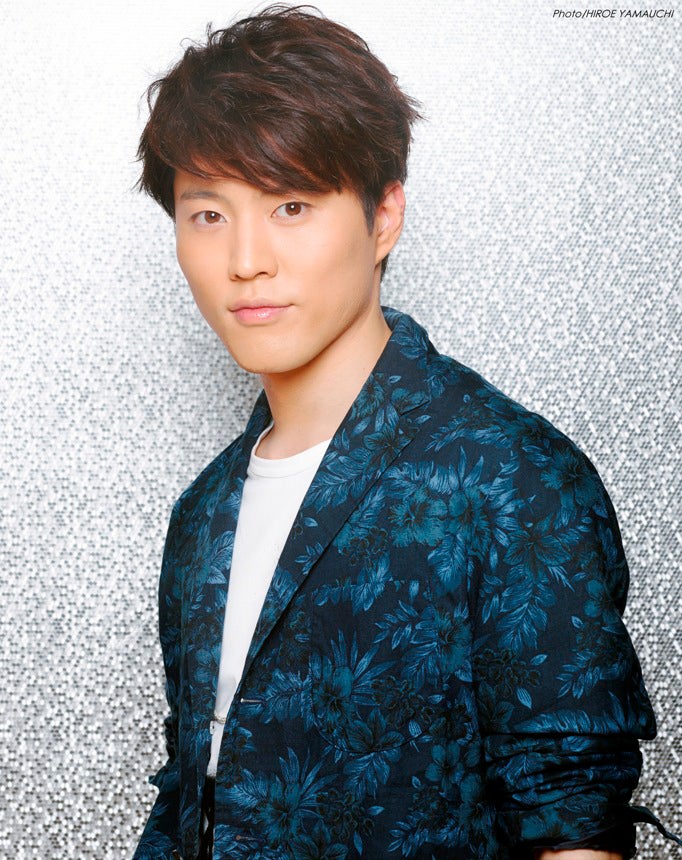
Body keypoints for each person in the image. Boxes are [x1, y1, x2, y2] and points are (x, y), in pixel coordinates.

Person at [132, 6, 679, 859]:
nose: (245, 260)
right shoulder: (203, 514)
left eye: (291, 205)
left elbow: (572, 821)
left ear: (384, 215)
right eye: (208, 215)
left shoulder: (512, 479)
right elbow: (193, 796)